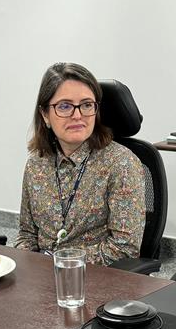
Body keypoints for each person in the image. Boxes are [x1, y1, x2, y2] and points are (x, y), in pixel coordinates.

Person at [14, 62, 145, 265]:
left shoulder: (121, 164)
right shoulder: (36, 163)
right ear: (45, 115)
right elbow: (26, 234)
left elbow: (124, 248)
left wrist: (59, 261)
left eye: (86, 105)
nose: (77, 115)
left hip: (97, 281)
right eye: (64, 106)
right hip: (42, 278)